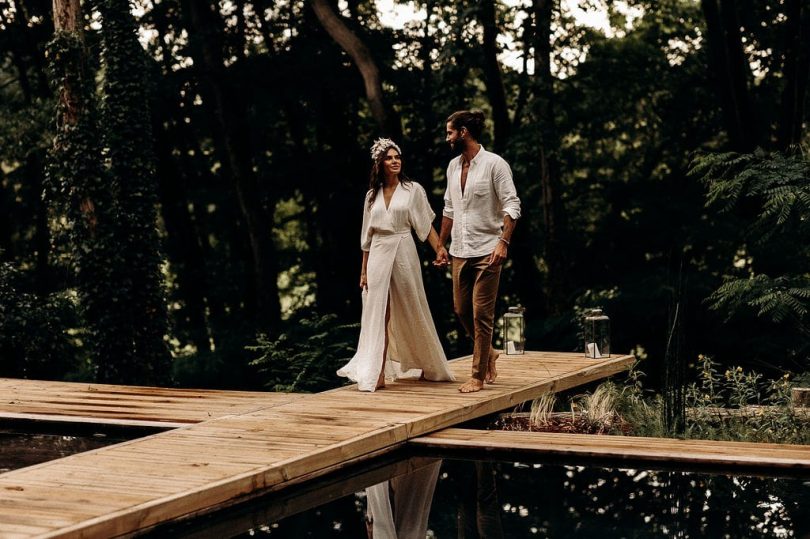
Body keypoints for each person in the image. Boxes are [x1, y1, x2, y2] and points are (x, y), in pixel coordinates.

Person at [337, 138, 456, 392]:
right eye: (389, 158)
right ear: (380, 163)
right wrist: (363, 270)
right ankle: (377, 372)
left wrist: (440, 248)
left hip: (403, 249)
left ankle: (428, 364)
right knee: (379, 311)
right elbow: (366, 239)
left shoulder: (412, 190)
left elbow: (425, 226)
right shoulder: (372, 196)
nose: (395, 161)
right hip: (378, 254)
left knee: (413, 305)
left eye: (397, 157)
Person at [435, 110, 521, 393]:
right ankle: (489, 353)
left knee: (481, 315)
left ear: (463, 132)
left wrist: (503, 242)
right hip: (460, 250)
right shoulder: (451, 167)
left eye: (450, 132)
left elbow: (512, 205)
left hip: (488, 250)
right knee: (461, 310)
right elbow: (449, 208)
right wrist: (440, 245)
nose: (447, 137)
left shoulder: (495, 164)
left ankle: (477, 375)